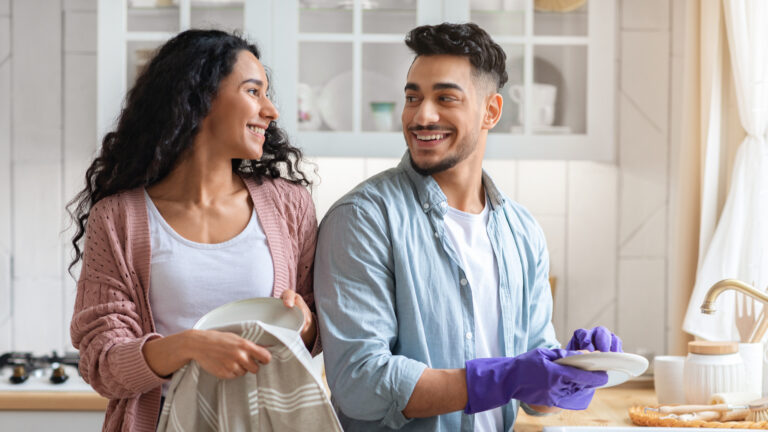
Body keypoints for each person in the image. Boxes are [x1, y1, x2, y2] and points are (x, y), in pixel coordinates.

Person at [314, 22, 622, 431]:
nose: (422, 115)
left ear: (490, 111)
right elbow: (360, 383)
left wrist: (572, 370)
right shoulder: (364, 219)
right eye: (413, 97)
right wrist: (504, 376)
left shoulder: (522, 232)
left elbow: (537, 401)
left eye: (445, 98)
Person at [68, 29, 320, 431]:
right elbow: (102, 361)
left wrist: (305, 324)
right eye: (254, 91)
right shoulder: (118, 218)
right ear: (198, 99)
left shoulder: (290, 205)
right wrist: (188, 346)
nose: (271, 110)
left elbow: (317, 332)